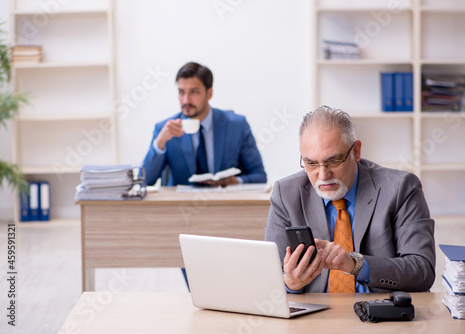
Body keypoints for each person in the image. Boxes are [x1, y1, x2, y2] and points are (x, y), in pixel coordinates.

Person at [265, 105, 435, 293]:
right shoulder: (286, 194)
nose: (323, 175)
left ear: (356, 151)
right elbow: (270, 278)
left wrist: (355, 264)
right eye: (311, 163)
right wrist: (290, 283)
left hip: (380, 315)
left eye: (334, 161)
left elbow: (422, 271)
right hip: (313, 317)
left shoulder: (401, 188)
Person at [143, 62, 267, 186]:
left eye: (194, 92)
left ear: (209, 94)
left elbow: (259, 176)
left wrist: (234, 182)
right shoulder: (165, 129)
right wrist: (159, 143)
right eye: (181, 92)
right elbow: (145, 181)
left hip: (224, 202)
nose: (186, 100)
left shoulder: (236, 126)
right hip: (181, 203)